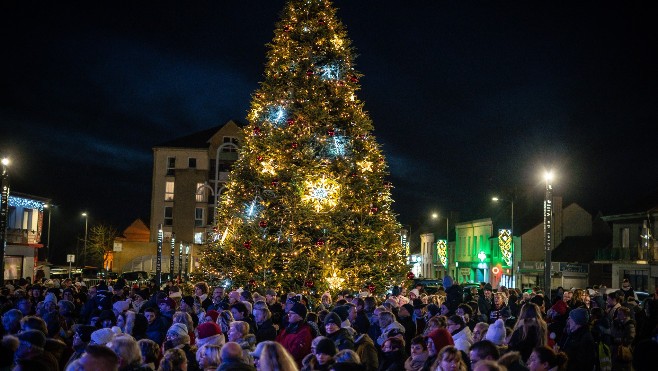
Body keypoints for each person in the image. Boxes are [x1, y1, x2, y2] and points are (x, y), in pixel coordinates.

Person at [276, 300, 313, 366]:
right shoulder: (287, 328)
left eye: (292, 313)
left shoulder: (304, 333)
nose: (289, 315)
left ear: (300, 317)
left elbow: (295, 353)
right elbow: (277, 342)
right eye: (289, 313)